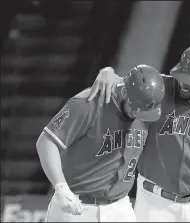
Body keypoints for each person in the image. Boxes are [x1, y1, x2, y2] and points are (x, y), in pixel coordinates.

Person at [87, 43, 190, 222]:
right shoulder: (160, 88)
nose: (183, 83)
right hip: (154, 202)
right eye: (181, 75)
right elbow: (124, 84)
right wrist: (108, 73)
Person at [36, 64, 165, 222]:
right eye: (135, 108)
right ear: (125, 91)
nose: (138, 115)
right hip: (77, 206)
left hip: (120, 208)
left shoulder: (147, 109)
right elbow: (46, 142)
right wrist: (60, 187)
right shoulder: (88, 103)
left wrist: (108, 71)